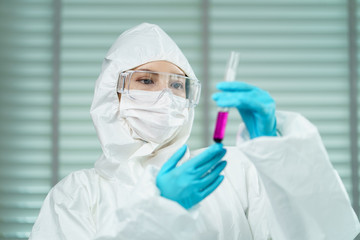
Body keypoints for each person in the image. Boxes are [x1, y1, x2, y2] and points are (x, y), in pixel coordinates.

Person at [29, 23, 360, 240]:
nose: (165, 96)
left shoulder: (231, 171)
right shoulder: (75, 196)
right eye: (146, 81)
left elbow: (328, 232)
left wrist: (279, 156)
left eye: (177, 85)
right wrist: (160, 212)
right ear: (110, 92)